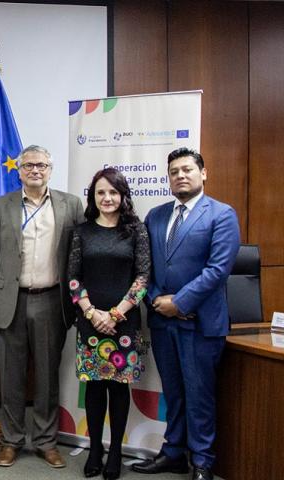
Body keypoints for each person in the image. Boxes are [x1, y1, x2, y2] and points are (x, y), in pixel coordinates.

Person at [132, 148, 239, 480]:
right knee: (174, 393)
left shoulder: (221, 214)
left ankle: (203, 461)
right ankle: (173, 452)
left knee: (199, 395)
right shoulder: (156, 215)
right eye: (174, 171)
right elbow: (144, 267)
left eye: (187, 169)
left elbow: (218, 270)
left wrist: (179, 302)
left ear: (203, 174)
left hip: (199, 325)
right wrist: (154, 300)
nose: (180, 175)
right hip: (163, 325)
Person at [0, 145, 84, 469]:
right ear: (19, 171)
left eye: (41, 165)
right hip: (11, 300)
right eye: (28, 165)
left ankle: (45, 441)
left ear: (50, 169)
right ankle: (11, 440)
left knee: (47, 377)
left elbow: (79, 256)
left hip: (53, 300)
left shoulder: (71, 204)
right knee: (11, 376)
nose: (35, 170)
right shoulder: (2, 205)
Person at [67, 168, 150, 479]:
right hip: (90, 324)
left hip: (124, 326)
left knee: (118, 388)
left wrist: (115, 314)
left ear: (122, 195)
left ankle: (115, 450)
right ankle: (96, 449)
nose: (107, 198)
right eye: (100, 192)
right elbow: (73, 278)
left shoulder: (136, 231)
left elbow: (143, 278)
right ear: (93, 196)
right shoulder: (81, 232)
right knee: (93, 387)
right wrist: (92, 314)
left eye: (113, 192)